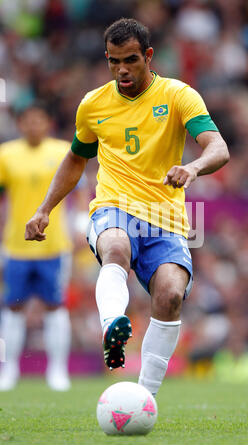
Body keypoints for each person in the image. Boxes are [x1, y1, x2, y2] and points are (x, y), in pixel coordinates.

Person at [25, 18, 229, 397]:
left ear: (148, 56)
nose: (122, 70)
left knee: (169, 295)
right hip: (113, 207)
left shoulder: (178, 95)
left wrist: (193, 167)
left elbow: (218, 147)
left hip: (165, 218)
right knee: (115, 247)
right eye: (113, 61)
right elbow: (75, 159)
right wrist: (44, 209)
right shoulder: (93, 105)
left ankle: (143, 398)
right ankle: (112, 325)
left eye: (131, 60)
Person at [0, 104, 84, 391]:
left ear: (47, 122)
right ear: (20, 124)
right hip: (15, 245)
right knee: (12, 307)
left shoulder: (63, 150)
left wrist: (80, 223)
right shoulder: (6, 154)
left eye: (39, 120)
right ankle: (8, 370)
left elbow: (80, 188)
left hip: (54, 245)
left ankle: (57, 371)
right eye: (28, 120)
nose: (33, 125)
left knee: (55, 306)